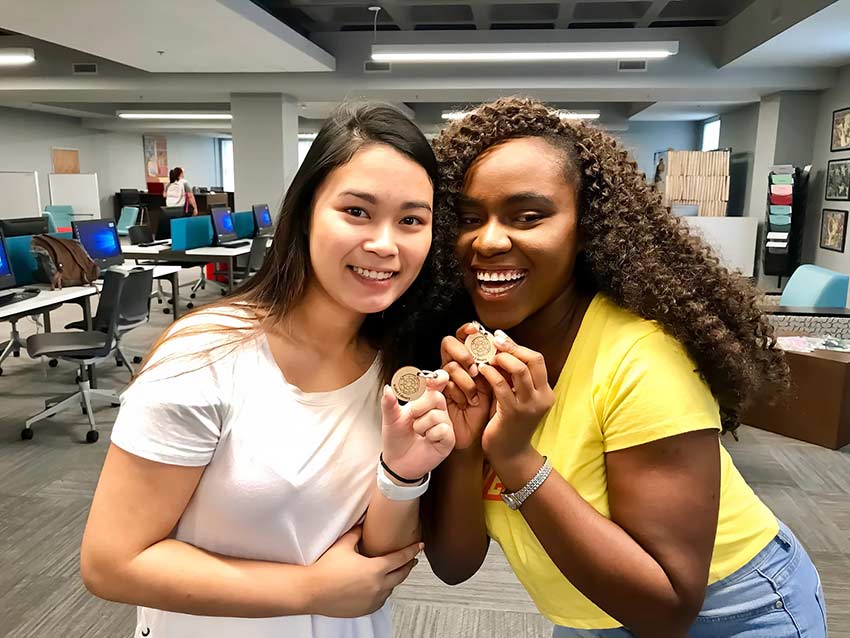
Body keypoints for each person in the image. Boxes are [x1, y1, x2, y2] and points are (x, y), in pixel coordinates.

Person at [424, 97, 827, 638]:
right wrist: (467, 446)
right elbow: (455, 565)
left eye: (528, 216)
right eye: (470, 219)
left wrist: (515, 456)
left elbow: (666, 610)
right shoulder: (475, 353)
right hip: (591, 608)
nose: (489, 240)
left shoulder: (643, 359)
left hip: (730, 611)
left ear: (585, 228)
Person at [80, 103, 457, 638]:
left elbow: (377, 568)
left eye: (412, 220)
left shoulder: (400, 363)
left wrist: (402, 474)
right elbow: (112, 563)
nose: (384, 243)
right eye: (356, 211)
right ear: (305, 214)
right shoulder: (205, 357)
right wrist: (310, 591)